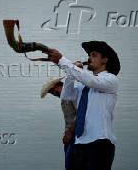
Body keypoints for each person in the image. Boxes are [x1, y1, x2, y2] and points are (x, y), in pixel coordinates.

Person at [45, 41, 120, 170]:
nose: (89, 58)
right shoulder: (84, 87)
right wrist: (70, 75)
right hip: (80, 143)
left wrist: (62, 60)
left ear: (105, 60)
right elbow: (66, 96)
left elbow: (90, 80)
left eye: (94, 55)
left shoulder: (111, 79)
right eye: (89, 55)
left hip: (100, 143)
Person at [41, 76, 77, 170]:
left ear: (57, 85)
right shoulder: (65, 98)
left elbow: (80, 114)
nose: (54, 93)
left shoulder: (72, 94)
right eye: (51, 92)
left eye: (52, 90)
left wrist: (69, 134)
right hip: (71, 138)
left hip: (75, 137)